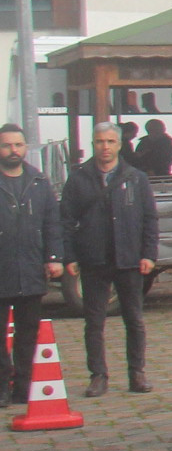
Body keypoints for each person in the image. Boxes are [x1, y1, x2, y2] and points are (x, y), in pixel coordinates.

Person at [61, 121, 157, 398]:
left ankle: (137, 373)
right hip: (93, 259)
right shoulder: (78, 178)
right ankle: (98, 375)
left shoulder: (136, 178)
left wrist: (149, 254)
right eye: (100, 142)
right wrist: (69, 255)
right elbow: (65, 219)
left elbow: (149, 219)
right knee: (94, 322)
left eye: (110, 142)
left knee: (134, 319)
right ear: (93, 144)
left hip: (128, 258)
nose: (105, 147)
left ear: (119, 144)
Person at [0, 122, 61, 409]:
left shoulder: (39, 181)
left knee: (27, 336)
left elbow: (52, 222)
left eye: (18, 145)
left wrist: (54, 257)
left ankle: (23, 388)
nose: (13, 150)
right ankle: (2, 387)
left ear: (25, 148)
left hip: (31, 270)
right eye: (6, 145)